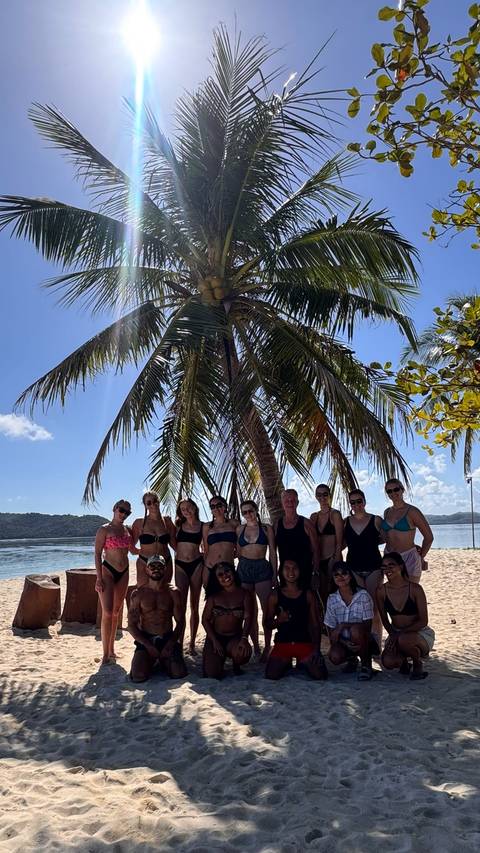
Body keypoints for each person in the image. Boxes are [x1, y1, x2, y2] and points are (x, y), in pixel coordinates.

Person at [264, 559, 327, 680]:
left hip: (304, 642)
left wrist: (317, 650)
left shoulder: (308, 594)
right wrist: (279, 620)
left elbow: (315, 624)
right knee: (271, 674)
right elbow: (267, 624)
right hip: (283, 643)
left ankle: (301, 662)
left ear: (300, 571)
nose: (291, 572)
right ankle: (287, 662)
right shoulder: (274, 595)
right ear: (281, 571)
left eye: (294, 568)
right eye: (287, 568)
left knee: (320, 674)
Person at [128, 555, 187, 683]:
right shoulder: (138, 594)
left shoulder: (173, 592)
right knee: (138, 676)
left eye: (159, 566)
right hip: (147, 638)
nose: (156, 569)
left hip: (167, 637)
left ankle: (163, 660)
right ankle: (151, 659)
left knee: (178, 674)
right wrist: (148, 645)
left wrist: (170, 644)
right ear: (147, 570)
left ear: (165, 569)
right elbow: (131, 625)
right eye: (152, 566)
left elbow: (181, 622)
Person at [376, 552, 434, 680]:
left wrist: (400, 634)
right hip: (396, 632)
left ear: (401, 566)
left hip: (419, 633)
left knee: (404, 640)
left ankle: (417, 663)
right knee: (388, 662)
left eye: (391, 566)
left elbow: (423, 621)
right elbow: (384, 620)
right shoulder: (381, 591)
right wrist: (393, 634)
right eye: (384, 567)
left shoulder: (415, 589)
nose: (387, 570)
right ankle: (404, 663)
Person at [95, 499, 137, 665]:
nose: (124, 514)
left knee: (116, 612)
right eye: (121, 510)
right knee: (107, 612)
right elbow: (97, 554)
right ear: (114, 508)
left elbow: (132, 550)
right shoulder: (104, 529)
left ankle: (112, 650)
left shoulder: (127, 530)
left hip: (124, 572)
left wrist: (152, 549)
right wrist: (99, 578)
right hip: (108, 572)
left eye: (127, 512)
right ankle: (105, 654)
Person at [236, 500, 277, 661]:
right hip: (244, 568)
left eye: (250, 511)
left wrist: (274, 574)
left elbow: (272, 552)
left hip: (262, 568)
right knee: (249, 611)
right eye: (244, 512)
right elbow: (238, 552)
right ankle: (256, 647)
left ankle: (267, 646)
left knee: (267, 610)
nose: (248, 514)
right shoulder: (240, 529)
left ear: (256, 510)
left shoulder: (266, 529)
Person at [324, 562, 377, 680]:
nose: (340, 577)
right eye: (336, 575)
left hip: (362, 638)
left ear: (350, 575)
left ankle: (366, 664)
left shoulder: (363, 595)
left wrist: (343, 625)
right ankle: (352, 660)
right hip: (343, 641)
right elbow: (331, 631)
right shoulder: (332, 599)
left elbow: (367, 627)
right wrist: (345, 642)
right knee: (334, 656)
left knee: (355, 630)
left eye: (344, 573)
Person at [343, 488, 384, 643]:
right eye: (353, 502)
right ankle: (363, 642)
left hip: (374, 567)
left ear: (365, 501)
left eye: (359, 501)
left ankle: (376, 644)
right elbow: (341, 543)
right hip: (353, 568)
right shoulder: (346, 522)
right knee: (359, 607)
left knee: (374, 607)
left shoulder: (376, 520)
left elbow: (387, 539)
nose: (356, 505)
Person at [202, 562, 253, 679]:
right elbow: (205, 620)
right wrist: (214, 641)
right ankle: (219, 659)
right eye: (220, 575)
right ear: (216, 579)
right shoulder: (214, 597)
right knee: (211, 675)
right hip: (216, 637)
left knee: (243, 654)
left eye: (227, 571)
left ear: (233, 572)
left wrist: (244, 639)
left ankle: (236, 663)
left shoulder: (244, 594)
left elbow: (248, 618)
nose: (225, 575)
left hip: (234, 638)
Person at [381, 478, 434, 582]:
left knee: (410, 590)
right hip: (389, 557)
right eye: (389, 491)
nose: (393, 493)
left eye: (396, 489)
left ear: (402, 490)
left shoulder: (412, 511)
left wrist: (421, 556)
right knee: (394, 590)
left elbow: (429, 537)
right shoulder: (387, 512)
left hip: (408, 557)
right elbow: (386, 536)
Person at [173, 498, 204, 655]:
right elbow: (171, 543)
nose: (186, 511)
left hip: (197, 565)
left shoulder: (203, 526)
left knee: (194, 605)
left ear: (194, 507)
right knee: (181, 606)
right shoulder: (178, 526)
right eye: (183, 509)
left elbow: (206, 547)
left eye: (188, 507)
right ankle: (179, 643)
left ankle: (191, 643)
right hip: (180, 566)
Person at [275, 489, 320, 593]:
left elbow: (316, 550)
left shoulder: (306, 524)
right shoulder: (277, 525)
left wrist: (315, 573)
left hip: (305, 572)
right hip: (285, 573)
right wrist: (274, 574)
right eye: (287, 500)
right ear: (282, 503)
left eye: (293, 500)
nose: (290, 503)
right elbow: (273, 552)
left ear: (297, 502)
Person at [132, 492, 175, 587]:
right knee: (143, 590)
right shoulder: (139, 523)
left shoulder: (167, 522)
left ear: (159, 502)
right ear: (145, 506)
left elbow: (174, 545)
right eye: (149, 503)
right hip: (144, 562)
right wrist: (141, 552)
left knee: (164, 591)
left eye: (155, 501)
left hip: (165, 562)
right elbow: (131, 547)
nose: (153, 504)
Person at [310, 483, 343, 602]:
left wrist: (336, 558)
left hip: (332, 559)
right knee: (322, 595)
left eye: (325, 494)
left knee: (335, 592)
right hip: (318, 560)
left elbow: (340, 541)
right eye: (319, 495)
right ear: (316, 496)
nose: (322, 498)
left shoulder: (335, 514)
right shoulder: (314, 517)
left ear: (329, 495)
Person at [202, 496, 238, 585]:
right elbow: (206, 550)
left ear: (225, 506)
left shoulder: (234, 523)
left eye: (219, 505)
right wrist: (204, 568)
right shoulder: (207, 526)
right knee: (211, 593)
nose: (216, 508)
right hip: (210, 567)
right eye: (212, 507)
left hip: (228, 569)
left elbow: (240, 547)